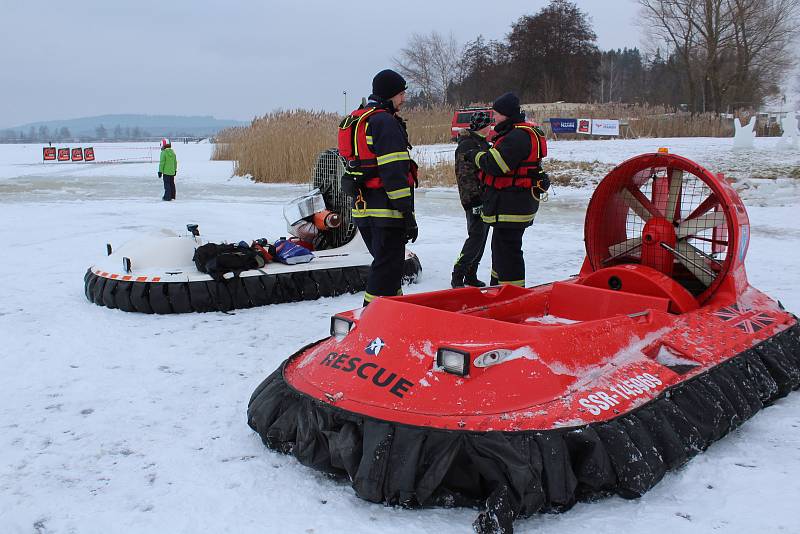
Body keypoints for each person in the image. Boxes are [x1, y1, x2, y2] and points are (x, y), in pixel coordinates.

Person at [341, 69, 418, 306]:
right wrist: (407, 214)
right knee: (386, 269)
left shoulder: (359, 120)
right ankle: (370, 321)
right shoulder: (385, 121)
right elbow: (394, 173)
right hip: (387, 210)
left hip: (364, 208)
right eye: (401, 93)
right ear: (389, 94)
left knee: (389, 268)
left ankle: (394, 317)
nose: (403, 99)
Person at [467, 92, 549, 287]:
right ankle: (497, 285)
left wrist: (475, 156)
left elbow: (496, 164)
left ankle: (512, 293)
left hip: (512, 206)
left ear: (506, 114)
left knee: (508, 251)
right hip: (512, 204)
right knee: (500, 248)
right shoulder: (516, 132)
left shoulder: (517, 136)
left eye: (496, 114)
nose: (493, 118)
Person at [451, 111, 492, 288]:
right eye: (488, 125)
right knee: (475, 237)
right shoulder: (468, 145)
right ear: (482, 127)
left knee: (481, 238)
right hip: (474, 200)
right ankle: (458, 274)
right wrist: (474, 202)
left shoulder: (482, 144)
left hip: (485, 198)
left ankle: (471, 274)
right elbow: (465, 177)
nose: (490, 128)